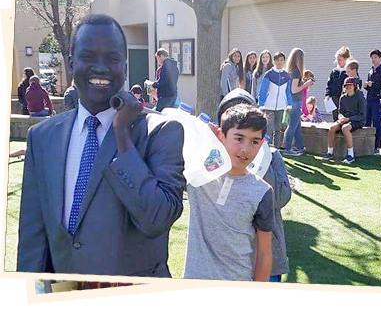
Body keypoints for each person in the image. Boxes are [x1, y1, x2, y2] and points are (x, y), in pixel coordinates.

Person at [17, 14, 186, 276]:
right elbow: (33, 239)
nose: (101, 67)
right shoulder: (42, 137)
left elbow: (157, 218)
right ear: (71, 64)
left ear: (125, 66)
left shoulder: (161, 132)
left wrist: (122, 134)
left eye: (113, 58)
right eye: (88, 57)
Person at [184, 103, 274, 281]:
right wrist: (202, 131)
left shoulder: (262, 192)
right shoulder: (199, 174)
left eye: (254, 141)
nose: (245, 149)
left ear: (262, 144)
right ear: (221, 136)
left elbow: (264, 253)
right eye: (239, 138)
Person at [215, 89, 292, 282]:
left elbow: (282, 197)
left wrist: (260, 159)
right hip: (228, 259)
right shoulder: (215, 159)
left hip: (268, 256)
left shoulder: (271, 154)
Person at [323, 77, 366, 164]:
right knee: (332, 128)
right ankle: (330, 152)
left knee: (345, 128)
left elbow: (362, 115)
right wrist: (341, 117)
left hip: (357, 120)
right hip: (345, 119)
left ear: (354, 86)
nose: (347, 88)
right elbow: (340, 112)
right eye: (346, 86)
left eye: (350, 86)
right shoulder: (342, 98)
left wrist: (349, 119)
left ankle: (351, 155)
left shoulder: (360, 97)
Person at [282, 48, 314, 156]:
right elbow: (294, 89)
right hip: (295, 102)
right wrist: (306, 84)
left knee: (297, 126)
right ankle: (287, 148)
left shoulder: (290, 71)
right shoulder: (296, 72)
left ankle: (299, 147)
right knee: (292, 126)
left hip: (293, 102)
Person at [258, 51, 292, 149]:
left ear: (284, 61)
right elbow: (263, 90)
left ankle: (276, 150)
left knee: (278, 129)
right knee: (268, 128)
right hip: (268, 105)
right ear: (274, 61)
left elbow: (288, 91)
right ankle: (266, 149)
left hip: (281, 106)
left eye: (282, 60)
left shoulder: (286, 75)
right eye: (277, 60)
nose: (280, 62)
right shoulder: (269, 74)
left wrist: (289, 103)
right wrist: (261, 103)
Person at [364, 49, 381, 155]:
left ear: (380, 58)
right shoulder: (370, 70)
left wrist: (373, 85)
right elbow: (369, 87)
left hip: (377, 100)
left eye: (375, 57)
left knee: (377, 122)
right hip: (369, 99)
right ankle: (367, 145)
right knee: (367, 122)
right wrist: (366, 86)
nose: (373, 60)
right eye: (372, 58)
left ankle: (377, 147)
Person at [325, 46, 351, 121]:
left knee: (343, 117)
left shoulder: (349, 71)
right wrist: (327, 95)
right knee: (335, 118)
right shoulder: (334, 71)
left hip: (345, 99)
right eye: (337, 60)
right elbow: (329, 84)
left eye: (340, 60)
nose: (338, 62)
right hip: (334, 98)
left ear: (346, 60)